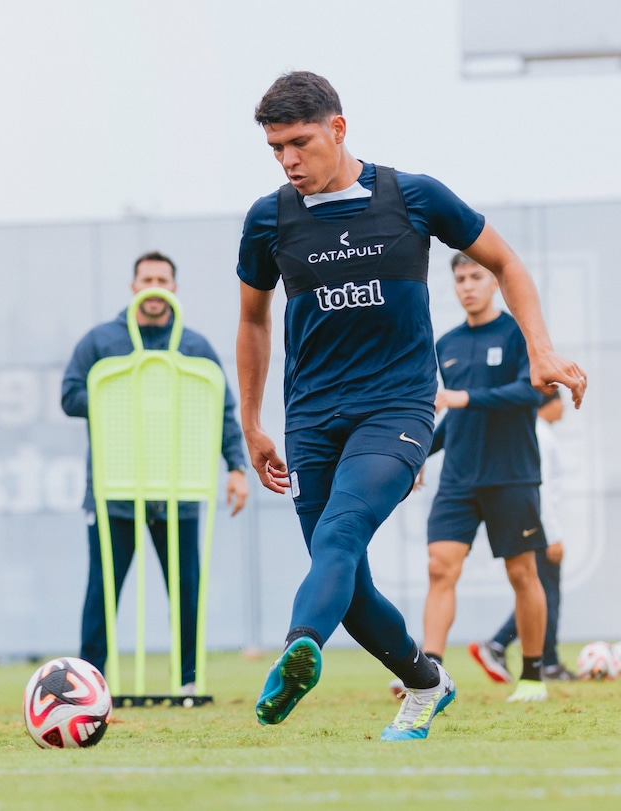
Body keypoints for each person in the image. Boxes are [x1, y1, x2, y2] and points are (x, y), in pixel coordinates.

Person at [235, 71, 586, 739]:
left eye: (299, 143)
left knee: (339, 534)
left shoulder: (412, 197)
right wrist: (251, 423)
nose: (288, 160)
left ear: (338, 129)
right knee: (343, 574)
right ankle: (427, 681)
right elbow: (252, 321)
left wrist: (539, 348)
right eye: (276, 148)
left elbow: (507, 262)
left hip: (396, 408)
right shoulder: (268, 218)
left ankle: (296, 645)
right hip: (310, 416)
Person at [62, 251, 248, 694]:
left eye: (163, 280)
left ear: (174, 288)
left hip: (179, 486)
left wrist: (237, 466)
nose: (154, 287)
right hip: (114, 487)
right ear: (133, 287)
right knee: (102, 591)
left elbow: (222, 408)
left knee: (186, 590)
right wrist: (127, 394)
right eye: (146, 279)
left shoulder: (194, 346)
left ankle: (186, 681)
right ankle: (91, 685)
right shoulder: (101, 341)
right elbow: (69, 396)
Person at [422, 252, 553, 702]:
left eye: (476, 276)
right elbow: (449, 416)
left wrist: (464, 397)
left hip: (511, 476)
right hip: (459, 480)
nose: (467, 286)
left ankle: (534, 676)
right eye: (460, 278)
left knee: (522, 573)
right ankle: (428, 675)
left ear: (494, 281)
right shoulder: (448, 344)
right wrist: (419, 452)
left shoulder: (518, 333)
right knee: (439, 567)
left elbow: (529, 392)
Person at [469, 389, 578, 682]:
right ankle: (548, 663)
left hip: (535, 523)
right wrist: (552, 534)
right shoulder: (540, 435)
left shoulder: (537, 432)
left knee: (536, 592)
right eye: (560, 402)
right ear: (547, 404)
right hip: (539, 527)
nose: (564, 408)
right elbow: (540, 489)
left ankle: (499, 645)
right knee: (546, 595)